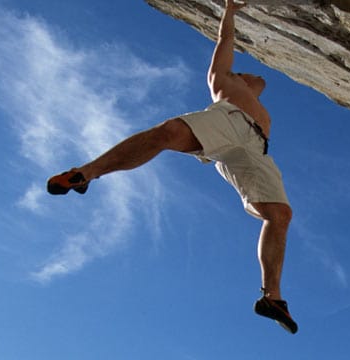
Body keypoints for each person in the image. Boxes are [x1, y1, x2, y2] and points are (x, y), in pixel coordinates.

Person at [46, 0, 297, 334]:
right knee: (169, 133)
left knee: (279, 215)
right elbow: (225, 43)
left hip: (255, 148)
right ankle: (87, 172)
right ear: (239, 77)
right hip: (228, 121)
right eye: (247, 74)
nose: (256, 77)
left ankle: (273, 297)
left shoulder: (257, 99)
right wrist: (230, 11)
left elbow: (262, 81)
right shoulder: (223, 81)